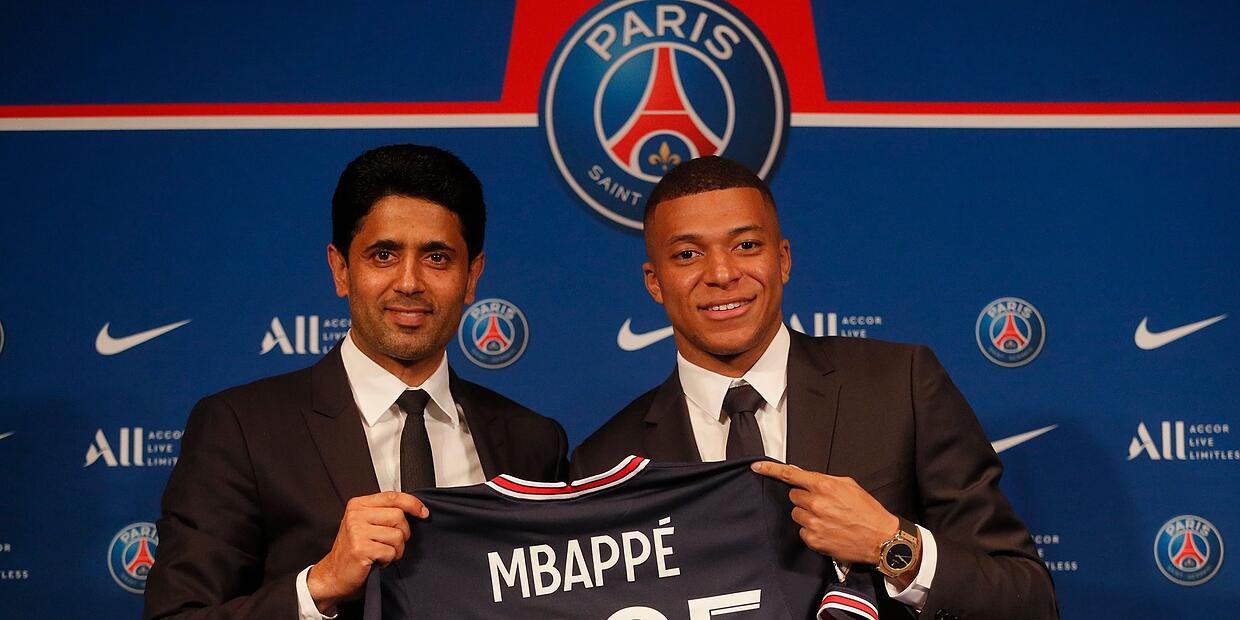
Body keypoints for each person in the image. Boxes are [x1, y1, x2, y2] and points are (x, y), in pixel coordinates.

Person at [570, 156, 1057, 620]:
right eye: (687, 255)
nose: (721, 274)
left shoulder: (900, 386)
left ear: (782, 260)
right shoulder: (605, 464)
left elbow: (1029, 600)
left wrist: (891, 544)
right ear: (655, 282)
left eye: (746, 246)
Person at [144, 144, 568, 620]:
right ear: (341, 269)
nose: (409, 282)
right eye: (383, 255)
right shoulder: (241, 430)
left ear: (472, 276)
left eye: (437, 258)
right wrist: (319, 585)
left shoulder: (534, 444)